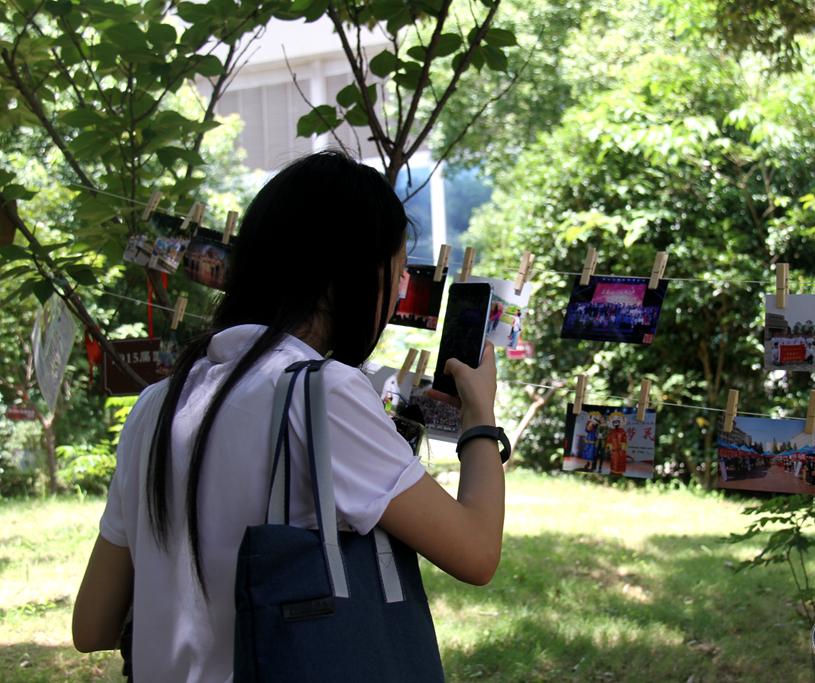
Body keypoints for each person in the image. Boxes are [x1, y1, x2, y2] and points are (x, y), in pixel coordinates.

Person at [71, 152, 506, 682]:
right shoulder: (322, 396)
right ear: (350, 276)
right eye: (395, 276)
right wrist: (480, 418)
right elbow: (476, 552)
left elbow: (92, 626)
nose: (395, 298)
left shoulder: (156, 405)